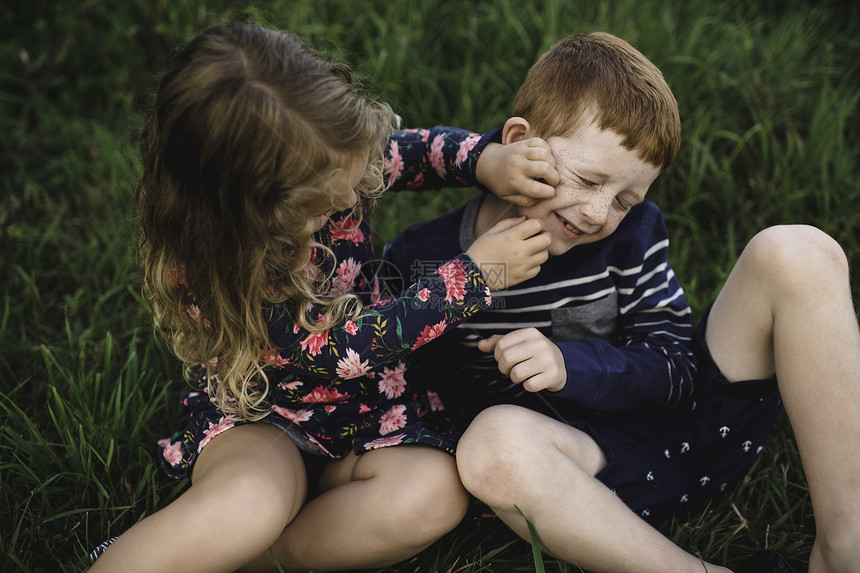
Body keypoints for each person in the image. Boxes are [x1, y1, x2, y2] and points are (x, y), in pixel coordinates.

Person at [384, 32, 860, 572]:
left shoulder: (629, 236)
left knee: (799, 251)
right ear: (519, 142)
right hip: (577, 477)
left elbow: (675, 368)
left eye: (626, 199)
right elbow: (412, 394)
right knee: (493, 445)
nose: (598, 214)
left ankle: (845, 549)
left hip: (692, 437)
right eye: (587, 180)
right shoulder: (424, 258)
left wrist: (571, 364)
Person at [88, 23, 555, 573]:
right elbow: (341, 348)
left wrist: (483, 160)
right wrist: (473, 275)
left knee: (432, 493)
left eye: (348, 178)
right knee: (248, 506)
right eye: (324, 200)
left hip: (373, 413)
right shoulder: (226, 274)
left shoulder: (321, 157)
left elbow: (407, 152)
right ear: (249, 217)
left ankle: (263, 562)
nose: (348, 196)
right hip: (268, 421)